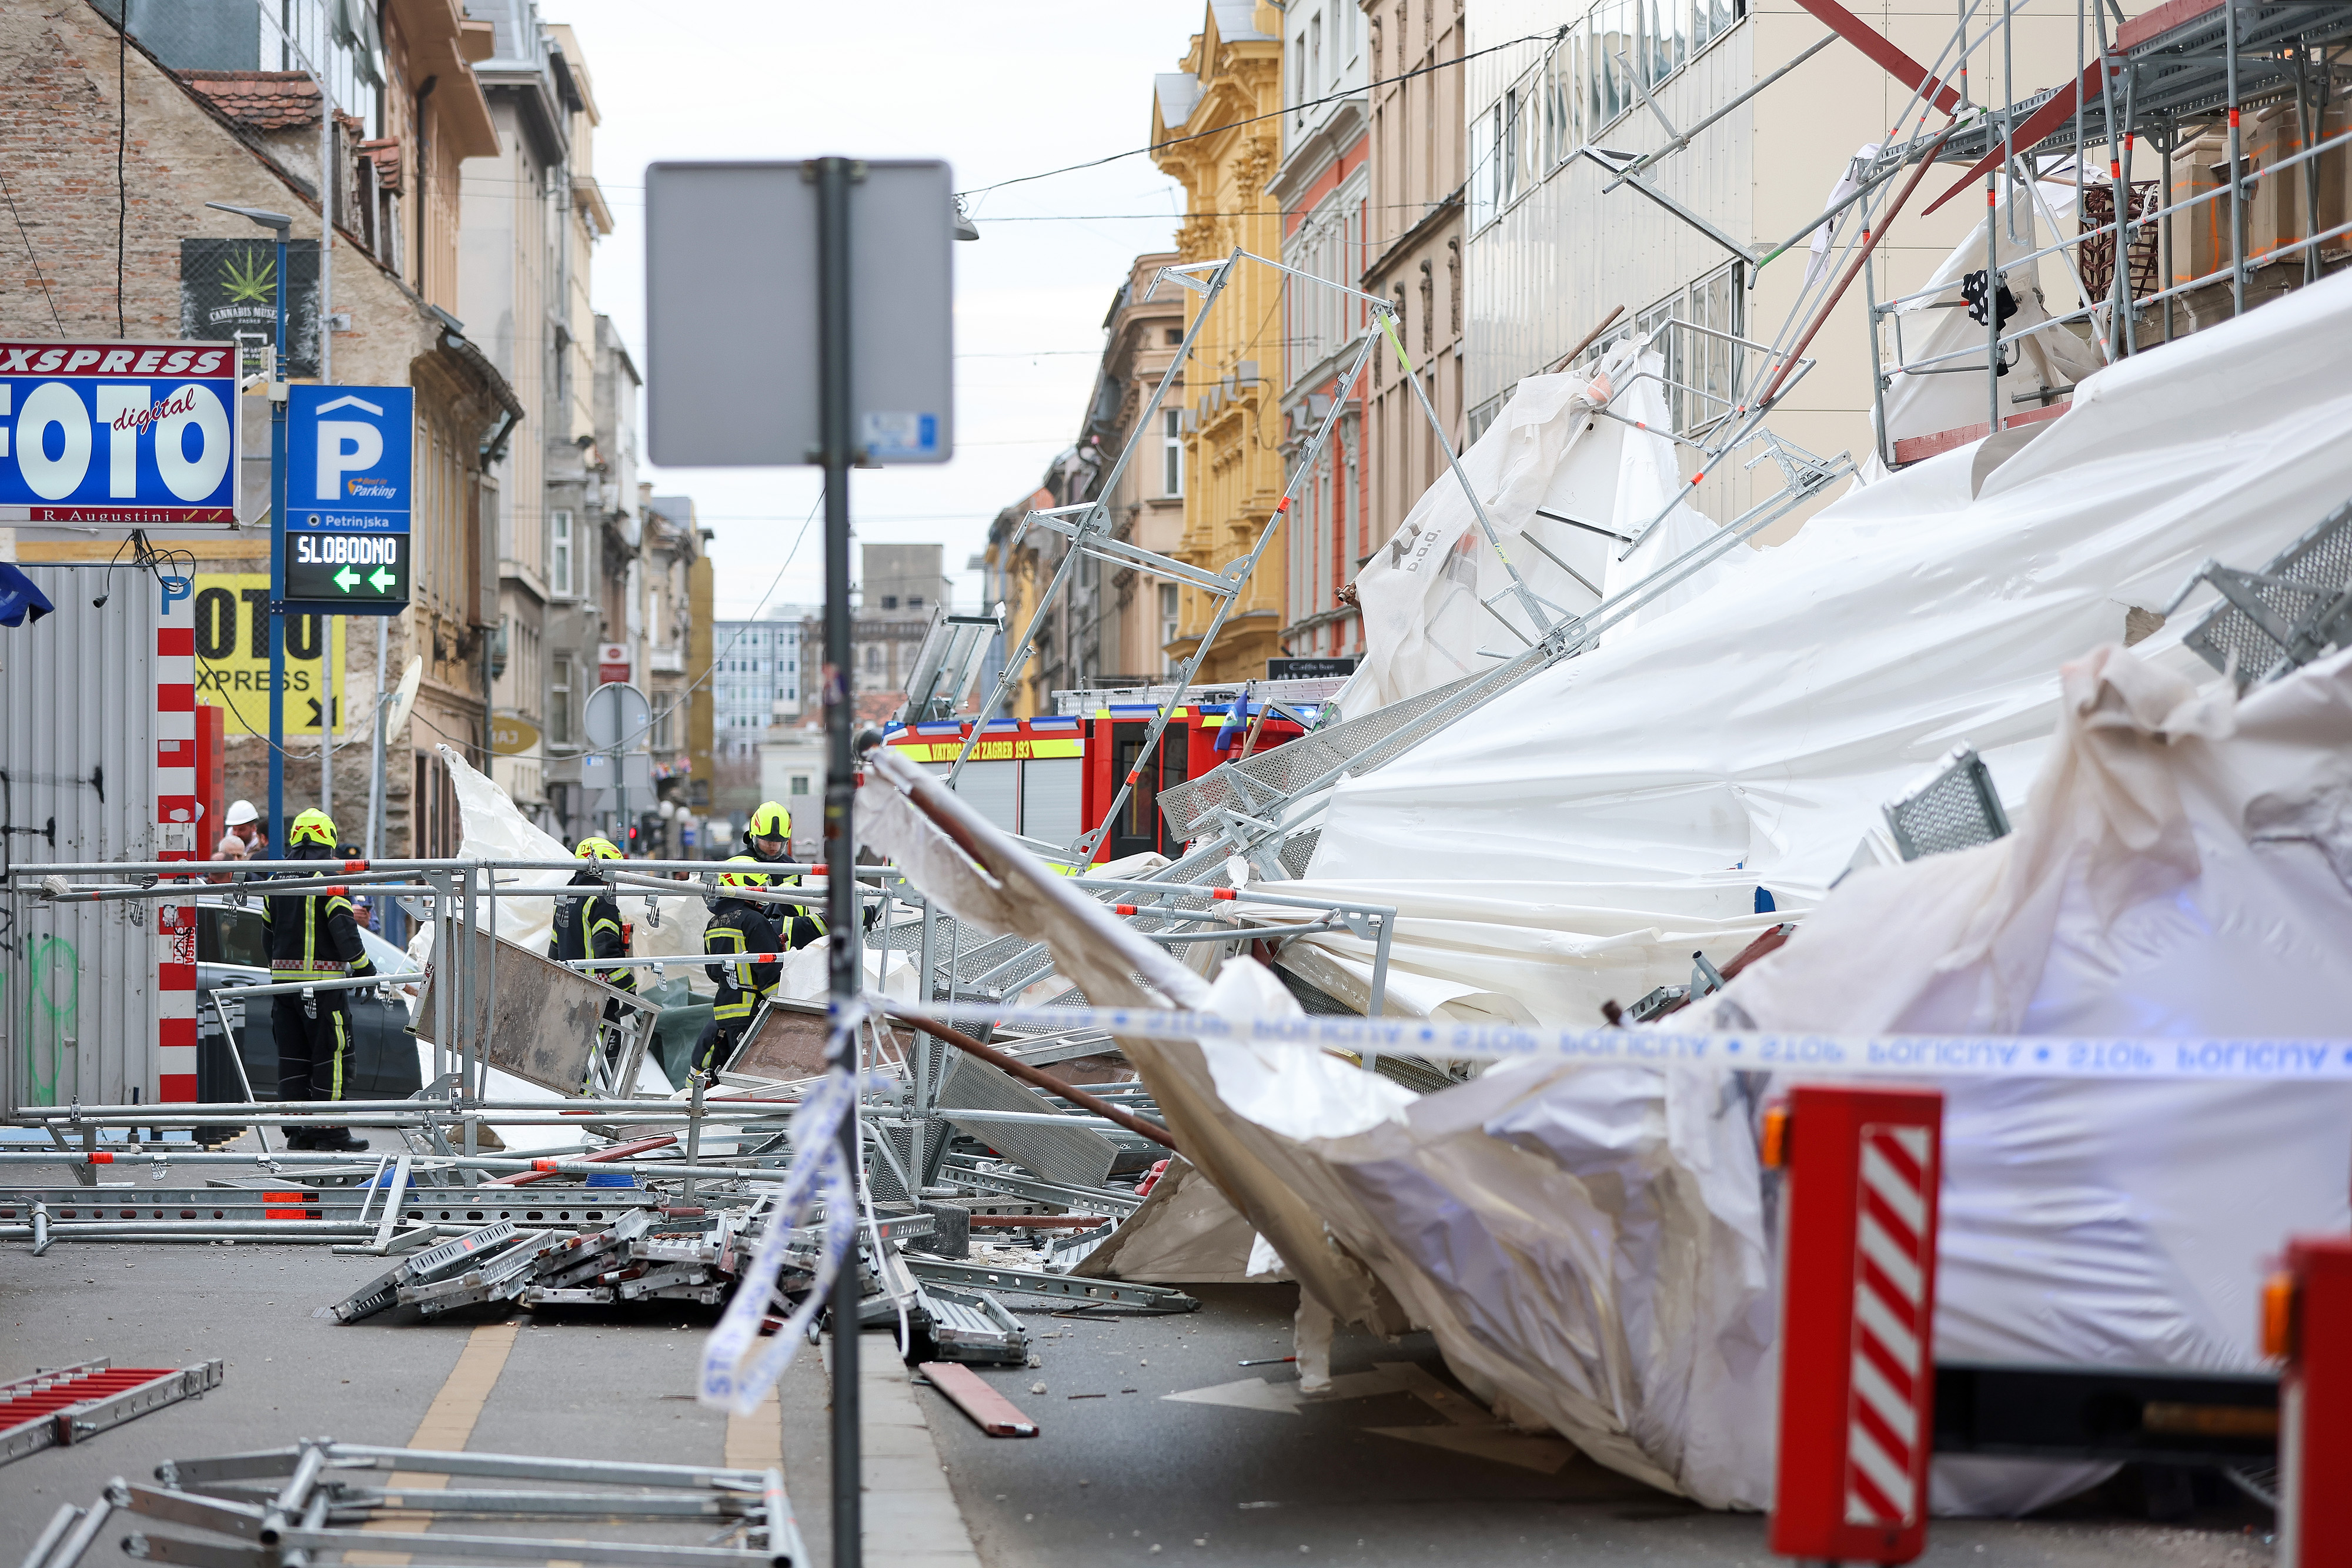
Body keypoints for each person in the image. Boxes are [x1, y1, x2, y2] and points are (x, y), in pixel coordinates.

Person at [262, 808, 373, 1151]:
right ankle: (331, 1131)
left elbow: (267, 936)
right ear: (330, 839)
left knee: (293, 1059)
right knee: (333, 1055)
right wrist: (365, 969)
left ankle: (298, 1131)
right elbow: (343, 926)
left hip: (285, 989)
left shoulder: (274, 880)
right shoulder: (329, 877)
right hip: (322, 988)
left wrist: (281, 972)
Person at [550, 835, 636, 1074]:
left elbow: (555, 949)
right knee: (602, 1060)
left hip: (571, 991)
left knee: (576, 1054)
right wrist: (628, 988)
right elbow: (606, 949)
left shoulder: (565, 898)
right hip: (597, 994)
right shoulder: (600, 899)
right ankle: (594, 1106)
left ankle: (579, 1102)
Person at [694, 855, 781, 1075]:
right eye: (758, 885)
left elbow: (712, 972)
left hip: (725, 1011)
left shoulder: (713, 923)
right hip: (754, 1013)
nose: (763, 891)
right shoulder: (754, 920)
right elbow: (769, 974)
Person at [743, 801, 825, 951]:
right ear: (753, 836)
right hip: (752, 936)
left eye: (779, 842)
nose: (773, 846)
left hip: (790, 941)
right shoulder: (740, 864)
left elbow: (801, 906)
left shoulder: (791, 866)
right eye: (767, 841)